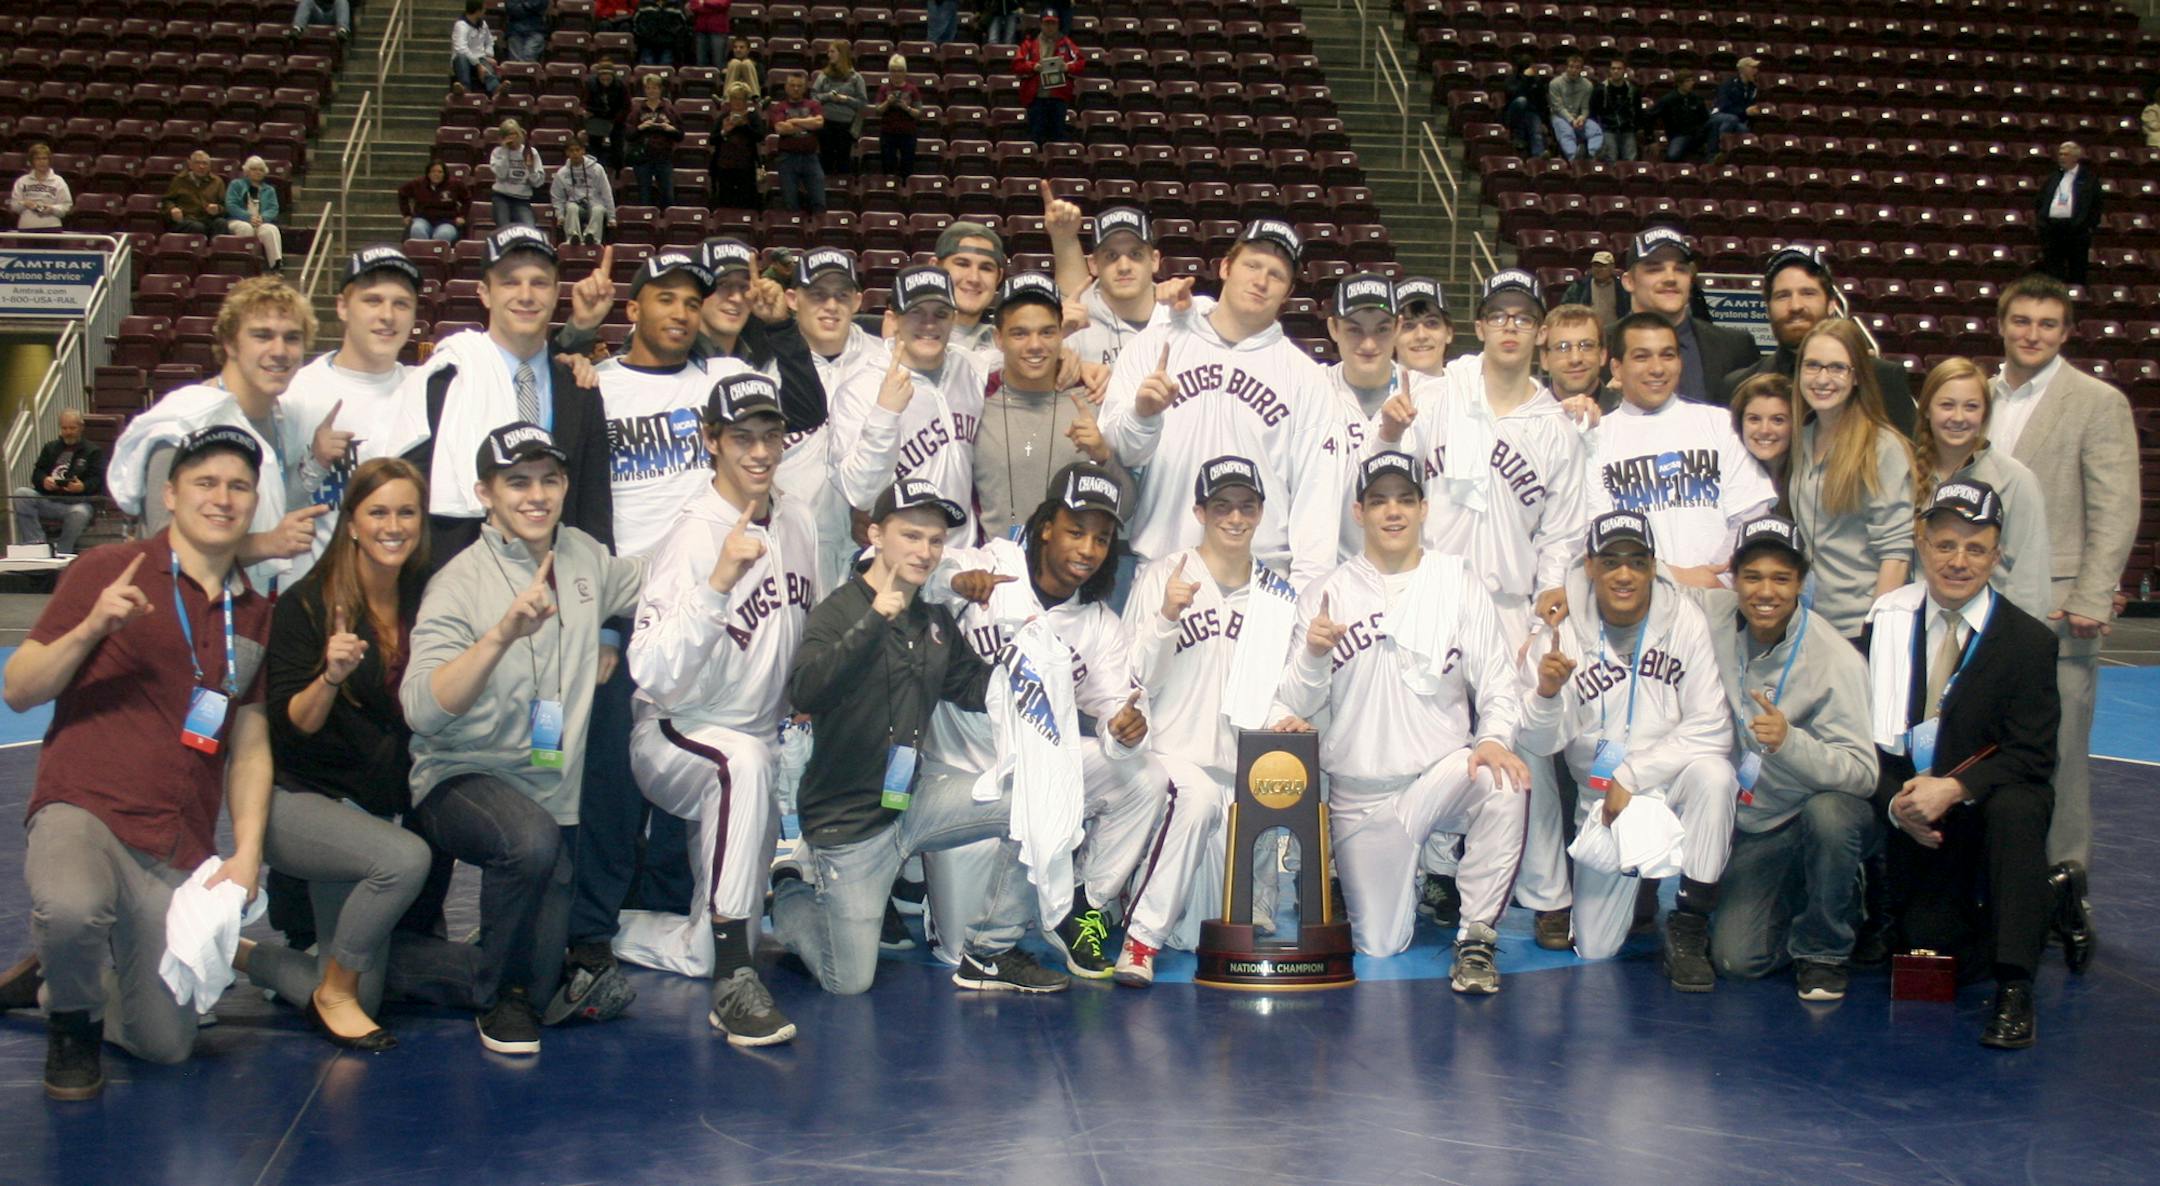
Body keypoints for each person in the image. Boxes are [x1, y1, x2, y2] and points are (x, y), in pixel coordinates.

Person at [2, 425, 277, 1099]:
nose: (222, 497)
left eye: (238, 486)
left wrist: (246, 853)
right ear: (171, 494)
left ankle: (58, 975)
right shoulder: (106, 571)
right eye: (206, 482)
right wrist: (93, 626)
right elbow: (19, 689)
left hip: (171, 842)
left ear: (254, 500)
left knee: (166, 1046)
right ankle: (72, 1026)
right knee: (72, 907)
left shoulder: (257, 610)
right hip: (84, 809)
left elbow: (250, 745)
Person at [399, 421, 646, 1054]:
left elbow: (650, 580)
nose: (535, 495)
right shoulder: (457, 583)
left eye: (548, 479)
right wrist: (501, 636)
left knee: (542, 983)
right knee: (528, 845)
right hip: (460, 777)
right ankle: (497, 1000)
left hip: (548, 791)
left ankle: (398, 964)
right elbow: (422, 709)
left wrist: (723, 561)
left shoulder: (583, 556)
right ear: (485, 493)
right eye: (517, 482)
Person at [773, 477, 1072, 995]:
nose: (926, 551)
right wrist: (871, 622)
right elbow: (805, 691)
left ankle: (990, 950)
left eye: (936, 541)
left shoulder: (931, 618)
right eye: (911, 536)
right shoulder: (839, 611)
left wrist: (1026, 657)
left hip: (915, 797)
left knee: (1035, 802)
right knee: (849, 983)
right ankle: (789, 895)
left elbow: (972, 686)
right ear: (875, 535)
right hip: (851, 823)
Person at [1372, 270, 1588, 946]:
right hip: (1429, 587)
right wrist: (1388, 428)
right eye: (1500, 314)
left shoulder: (1555, 425)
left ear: (1540, 331)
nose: (1512, 326)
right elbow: (1390, 478)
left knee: (1520, 745)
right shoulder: (1441, 391)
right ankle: (1425, 869)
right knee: (1421, 732)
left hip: (1505, 599)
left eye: (1525, 316)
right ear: (1482, 324)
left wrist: (1549, 598)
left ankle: (1549, 892)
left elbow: (1564, 529)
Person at [1277, 452, 1531, 989]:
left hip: (1442, 776)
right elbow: (1294, 704)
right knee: (1381, 947)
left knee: (1503, 779)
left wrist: (1493, 738)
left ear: (1423, 509)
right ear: (1358, 512)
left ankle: (1477, 936)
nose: (1392, 512)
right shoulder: (1328, 592)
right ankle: (1411, 875)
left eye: (1405, 500)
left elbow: (1500, 684)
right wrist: (1313, 655)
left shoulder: (1457, 582)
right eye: (1379, 501)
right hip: (1363, 797)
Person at [626, 372, 819, 1044]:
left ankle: (610, 929)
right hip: (675, 734)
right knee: (741, 760)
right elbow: (652, 674)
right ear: (712, 441)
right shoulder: (691, 536)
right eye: (743, 437)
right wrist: (717, 584)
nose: (761, 451)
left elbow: (798, 630)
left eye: (771, 435)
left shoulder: (796, 520)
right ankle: (734, 987)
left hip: (754, 745)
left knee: (713, 937)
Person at [929, 465, 1171, 979]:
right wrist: (952, 582)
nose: (1088, 548)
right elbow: (904, 570)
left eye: (1102, 539)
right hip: (959, 777)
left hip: (1029, 778)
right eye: (1075, 531)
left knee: (1144, 777)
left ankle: (1086, 899)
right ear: (1046, 526)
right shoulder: (995, 562)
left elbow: (1115, 709)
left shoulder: (1100, 624)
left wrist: (1124, 729)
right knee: (954, 950)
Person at [562, 253, 724, 990]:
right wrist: (574, 335)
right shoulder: (596, 384)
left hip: (702, 608)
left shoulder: (718, 383)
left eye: (694, 301)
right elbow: (580, 506)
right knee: (610, 775)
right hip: (622, 609)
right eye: (667, 298)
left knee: (689, 760)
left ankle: (656, 906)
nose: (683, 313)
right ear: (635, 308)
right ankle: (591, 924)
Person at [246, 457, 436, 1051]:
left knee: (367, 996)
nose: (394, 525)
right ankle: (333, 989)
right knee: (405, 860)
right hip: (301, 803)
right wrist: (329, 677)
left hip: (368, 815)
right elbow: (291, 728)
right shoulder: (308, 603)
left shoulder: (421, 597)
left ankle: (235, 953)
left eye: (407, 512)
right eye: (378, 511)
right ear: (351, 521)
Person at [1863, 481, 2060, 1048]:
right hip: (1913, 813)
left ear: (1996, 557)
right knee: (1933, 952)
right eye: (1946, 545)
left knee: (2020, 809)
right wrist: (1896, 804)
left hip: (1986, 806)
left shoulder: (2027, 642)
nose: (1958, 561)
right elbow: (1863, 740)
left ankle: (2016, 985)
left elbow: (2032, 756)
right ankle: (2051, 896)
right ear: (1922, 546)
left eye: (1976, 549)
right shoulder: (1886, 623)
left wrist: (1955, 788)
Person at [1518, 511, 1736, 986]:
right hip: (1602, 803)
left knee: (1715, 776)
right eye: (1612, 561)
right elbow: (1539, 742)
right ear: (1590, 566)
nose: (1624, 574)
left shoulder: (1685, 620)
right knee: (1595, 950)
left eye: (1637, 562)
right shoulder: (1561, 631)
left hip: (1665, 783)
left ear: (1653, 567)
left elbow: (1713, 725)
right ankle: (1589, 893)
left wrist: (1632, 774)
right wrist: (1547, 695)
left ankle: (1689, 924)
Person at [1990, 274, 2135, 959]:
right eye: (2022, 320)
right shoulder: (1979, 397)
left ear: (2067, 331)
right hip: (1982, 598)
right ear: (2002, 323)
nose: (2032, 333)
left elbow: (2116, 507)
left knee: (2063, 756)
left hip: (2058, 603)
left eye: (2047, 323)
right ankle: (1998, 886)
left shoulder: (2096, 402)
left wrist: (2091, 594)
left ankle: (2065, 885)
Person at [1114, 457, 1297, 982]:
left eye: (1246, 506)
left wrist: (1288, 716)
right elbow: (1134, 680)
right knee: (1191, 802)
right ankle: (1139, 941)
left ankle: (1156, 904)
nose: (1234, 518)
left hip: (1238, 773)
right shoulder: (1162, 576)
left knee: (1210, 936)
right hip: (1169, 764)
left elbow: (1276, 692)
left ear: (1261, 512)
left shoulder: (1277, 592)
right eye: (1221, 506)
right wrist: (1169, 616)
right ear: (1199, 511)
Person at [1100, 219, 1343, 590]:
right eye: (1252, 265)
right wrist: (1143, 416)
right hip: (1161, 572)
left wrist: (1306, 600)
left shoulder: (1308, 379)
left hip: (1259, 581)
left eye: (1276, 275)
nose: (1261, 281)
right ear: (1225, 267)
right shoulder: (1153, 346)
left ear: (1289, 291)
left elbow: (1317, 503)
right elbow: (1118, 455)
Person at [1701, 516, 1879, 1000]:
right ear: (1733, 579)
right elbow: (1644, 586)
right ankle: (1813, 890)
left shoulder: (1836, 659)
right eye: (1753, 576)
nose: (1766, 591)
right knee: (1737, 961)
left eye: (1781, 578)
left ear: (1801, 583)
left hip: (1811, 810)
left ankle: (1824, 946)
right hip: (1754, 819)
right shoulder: (1712, 615)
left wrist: (1789, 742)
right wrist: (1568, 590)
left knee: (1831, 817)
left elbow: (1864, 774)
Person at [381, 226, 615, 566]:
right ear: (484, 293)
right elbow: (411, 496)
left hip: (558, 584)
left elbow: (594, 508)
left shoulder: (579, 386)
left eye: (539, 282)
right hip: (462, 582)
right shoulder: (444, 381)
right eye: (509, 282)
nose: (526, 295)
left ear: (555, 292)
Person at [107, 277, 327, 594]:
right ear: (230, 343)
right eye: (262, 335)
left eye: (292, 338)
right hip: (181, 615)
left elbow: (270, 504)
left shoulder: (279, 419)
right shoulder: (186, 422)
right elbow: (164, 549)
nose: (280, 351)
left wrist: (315, 462)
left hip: (248, 611)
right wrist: (265, 544)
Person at [1587, 313, 1777, 588]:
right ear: (1616, 368)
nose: (1657, 368)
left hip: (1718, 598)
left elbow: (1751, 516)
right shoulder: (1596, 439)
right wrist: (1675, 578)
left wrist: (1719, 579)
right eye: (1642, 357)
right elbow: (1597, 537)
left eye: (1668, 355)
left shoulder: (1719, 423)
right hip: (1635, 603)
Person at [275, 246, 424, 590]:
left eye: (401, 304)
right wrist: (314, 464)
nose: (388, 316)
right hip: (314, 598)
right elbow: (266, 508)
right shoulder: (296, 393)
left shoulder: (424, 390)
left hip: (400, 600)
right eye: (372, 301)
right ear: (342, 307)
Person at [828, 265, 987, 544]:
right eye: (916, 312)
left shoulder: (970, 370)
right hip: (894, 557)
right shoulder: (859, 390)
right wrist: (885, 414)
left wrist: (1076, 363)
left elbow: (1020, 360)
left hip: (962, 554)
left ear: (954, 319)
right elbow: (859, 492)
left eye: (940, 314)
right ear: (893, 319)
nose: (929, 324)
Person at [1786, 318, 1916, 642]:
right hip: (1809, 625)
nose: (1822, 378)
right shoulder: (1801, 438)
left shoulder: (1880, 447)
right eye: (1813, 366)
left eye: (1837, 368)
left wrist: (1875, 632)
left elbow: (1896, 555)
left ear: (1857, 376)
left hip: (1858, 627)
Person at [974, 274, 1129, 538]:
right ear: (999, 339)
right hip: (995, 570)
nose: (1035, 345)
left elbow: (1126, 508)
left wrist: (1104, 456)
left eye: (1047, 332)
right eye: (1020, 333)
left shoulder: (1093, 397)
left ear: (1061, 334)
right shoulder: (976, 400)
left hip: (1077, 573)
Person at [1911, 358, 2051, 620]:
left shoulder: (2016, 481)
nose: (1959, 417)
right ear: (1927, 409)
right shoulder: (1904, 474)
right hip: (1920, 627)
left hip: (1990, 631)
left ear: (1985, 414)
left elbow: (2030, 579)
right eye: (1947, 405)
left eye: (1971, 407)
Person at [1719, 245, 1915, 429]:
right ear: (1768, 308)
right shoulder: (1737, 386)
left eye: (1808, 293)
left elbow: (1908, 459)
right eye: (1783, 295)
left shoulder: (1881, 377)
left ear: (1831, 303)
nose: (1795, 306)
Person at [1620, 226, 1758, 405]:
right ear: (1629, 281)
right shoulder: (1599, 347)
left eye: (1680, 269)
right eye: (1655, 269)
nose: (1670, 278)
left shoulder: (1735, 346)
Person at [1045, 196, 1169, 371]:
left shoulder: (1182, 315)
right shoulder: (1073, 326)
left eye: (1135, 255)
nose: (1124, 267)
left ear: (1155, 260)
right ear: (1093, 264)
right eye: (1111, 256)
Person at [13, 410, 105, 555]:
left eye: (72, 428)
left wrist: (83, 487)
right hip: (49, 500)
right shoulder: (50, 448)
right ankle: (36, 544)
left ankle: (63, 549)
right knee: (21, 494)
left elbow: (99, 480)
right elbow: (37, 473)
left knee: (79, 512)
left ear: (81, 427)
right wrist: (44, 480)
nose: (68, 432)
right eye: (64, 428)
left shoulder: (93, 451)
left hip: (76, 503)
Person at [931, 221, 1008, 370]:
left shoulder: (1006, 341)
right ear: (935, 268)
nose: (974, 278)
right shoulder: (905, 334)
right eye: (962, 264)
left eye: (986, 268)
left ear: (999, 277)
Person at [2035, 142, 2102, 286]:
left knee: (2077, 270)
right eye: (2060, 154)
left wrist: (2087, 227)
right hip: (2052, 230)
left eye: (2066, 154)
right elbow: (2040, 201)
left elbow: (2096, 206)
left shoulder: (2088, 179)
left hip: (2076, 231)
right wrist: (2042, 222)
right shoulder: (2053, 177)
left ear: (2075, 157)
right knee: (2053, 271)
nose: (2062, 157)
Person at [1016, 11, 1082, 146]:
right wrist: (1033, 67)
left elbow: (1080, 63)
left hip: (1058, 97)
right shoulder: (1030, 44)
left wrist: (1067, 67)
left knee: (1057, 137)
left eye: (1053, 23)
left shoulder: (1066, 43)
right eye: (1047, 23)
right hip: (1036, 98)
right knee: (1035, 136)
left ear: (1058, 25)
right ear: (1041, 24)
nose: (1050, 27)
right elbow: (1017, 64)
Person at [1730, 372, 1794, 505]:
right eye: (1754, 419)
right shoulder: (1727, 477)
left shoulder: (1809, 484)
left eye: (1777, 420)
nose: (1764, 430)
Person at [768, 72, 827, 214]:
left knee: (819, 201)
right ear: (786, 87)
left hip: (810, 158)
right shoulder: (780, 107)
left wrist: (794, 121)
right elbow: (781, 128)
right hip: (787, 159)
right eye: (792, 85)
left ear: (805, 87)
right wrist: (807, 123)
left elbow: (819, 123)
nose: (795, 89)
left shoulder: (813, 104)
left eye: (799, 86)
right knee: (790, 203)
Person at [1538, 301, 1615, 411]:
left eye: (1586, 346)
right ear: (1544, 358)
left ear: (1602, 354)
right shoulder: (1528, 419)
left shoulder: (1629, 413)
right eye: (1562, 347)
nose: (1575, 358)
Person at [710, 81, 767, 211]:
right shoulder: (723, 117)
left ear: (746, 100)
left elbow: (760, 136)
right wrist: (725, 131)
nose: (737, 102)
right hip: (724, 166)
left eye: (740, 99)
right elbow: (712, 140)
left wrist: (744, 126)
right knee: (725, 201)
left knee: (746, 201)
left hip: (746, 167)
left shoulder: (752, 117)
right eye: (734, 98)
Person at [550, 134, 616, 246]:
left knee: (599, 209)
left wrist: (611, 217)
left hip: (594, 203)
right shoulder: (562, 173)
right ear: (567, 153)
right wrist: (560, 216)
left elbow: (606, 193)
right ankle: (573, 238)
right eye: (571, 151)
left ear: (583, 151)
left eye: (577, 150)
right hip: (575, 204)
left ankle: (591, 238)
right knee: (570, 207)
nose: (575, 153)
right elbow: (557, 197)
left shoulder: (597, 169)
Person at [222, 156, 285, 273]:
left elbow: (273, 208)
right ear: (247, 171)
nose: (257, 172)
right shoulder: (236, 185)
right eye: (254, 169)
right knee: (245, 228)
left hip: (261, 221)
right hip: (238, 220)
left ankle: (275, 266)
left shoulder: (269, 190)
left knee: (271, 230)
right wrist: (248, 217)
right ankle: (245, 265)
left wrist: (263, 218)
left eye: (261, 170)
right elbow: (231, 205)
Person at [813, 43, 867, 178]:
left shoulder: (856, 78)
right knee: (826, 159)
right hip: (826, 124)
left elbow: (862, 103)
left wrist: (846, 99)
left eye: (832, 52)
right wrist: (828, 97)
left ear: (841, 54)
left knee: (843, 160)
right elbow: (813, 97)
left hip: (846, 126)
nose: (828, 54)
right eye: (828, 51)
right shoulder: (823, 75)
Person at [629, 73, 683, 208]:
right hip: (643, 159)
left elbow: (680, 135)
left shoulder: (670, 110)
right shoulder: (637, 111)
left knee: (668, 196)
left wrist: (671, 129)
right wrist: (640, 128)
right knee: (644, 196)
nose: (651, 91)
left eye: (654, 88)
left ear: (660, 89)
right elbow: (629, 135)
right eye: (648, 88)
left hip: (664, 158)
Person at [487, 120, 546, 229]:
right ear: (502, 138)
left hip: (522, 199)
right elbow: (501, 175)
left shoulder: (531, 152)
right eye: (508, 135)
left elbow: (538, 183)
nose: (512, 138)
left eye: (514, 134)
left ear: (519, 135)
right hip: (501, 197)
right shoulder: (497, 152)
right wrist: (505, 152)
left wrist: (531, 169)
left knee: (530, 229)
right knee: (504, 231)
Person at [873, 55, 923, 179]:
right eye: (893, 70)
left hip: (908, 134)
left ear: (905, 72)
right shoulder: (884, 89)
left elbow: (919, 113)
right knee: (888, 167)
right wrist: (888, 102)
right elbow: (877, 110)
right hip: (888, 133)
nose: (897, 74)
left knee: (907, 167)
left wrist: (907, 108)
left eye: (900, 70)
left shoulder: (912, 89)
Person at [1393, 276, 1453, 377]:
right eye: (1408, 325)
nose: (1421, 335)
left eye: (1431, 323)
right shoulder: (1370, 389)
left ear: (1449, 333)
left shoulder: (1467, 386)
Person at [1548, 53, 1602, 161]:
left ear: (1581, 70)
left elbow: (1585, 107)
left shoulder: (1587, 85)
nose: (1573, 70)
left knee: (1595, 130)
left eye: (1577, 68)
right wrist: (1571, 120)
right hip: (1560, 117)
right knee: (1567, 132)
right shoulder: (1555, 83)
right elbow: (1558, 107)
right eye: (1571, 67)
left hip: (1578, 118)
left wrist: (1582, 117)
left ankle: (1590, 156)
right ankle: (1575, 160)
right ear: (1566, 67)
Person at [1647, 73, 1712, 162]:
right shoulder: (1668, 99)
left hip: (1697, 133)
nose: (1691, 83)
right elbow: (1649, 117)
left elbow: (1705, 118)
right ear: (1679, 83)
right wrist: (1651, 140)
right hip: (1678, 134)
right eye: (1687, 81)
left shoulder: (1697, 98)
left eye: (1692, 80)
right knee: (1672, 156)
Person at [399, 158, 468, 242]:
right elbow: (402, 193)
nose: (436, 174)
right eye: (433, 171)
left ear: (444, 174)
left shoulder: (455, 185)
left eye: (440, 172)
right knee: (417, 230)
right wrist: (406, 214)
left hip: (447, 221)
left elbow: (467, 199)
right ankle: (423, 254)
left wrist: (462, 216)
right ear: (428, 173)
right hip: (422, 219)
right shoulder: (418, 184)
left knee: (443, 234)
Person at [8, 143, 72, 231]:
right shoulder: (22, 181)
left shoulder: (58, 181)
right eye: (37, 159)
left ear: (49, 160)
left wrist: (52, 209)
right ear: (32, 161)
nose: (41, 162)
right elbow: (14, 206)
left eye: (44, 158)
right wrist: (25, 204)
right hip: (26, 227)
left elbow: (66, 206)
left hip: (51, 227)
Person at [584, 60, 633, 172]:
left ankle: (618, 174)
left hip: (616, 120)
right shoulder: (591, 84)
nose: (605, 80)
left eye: (608, 78)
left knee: (618, 151)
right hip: (596, 120)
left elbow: (626, 106)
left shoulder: (621, 85)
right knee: (594, 151)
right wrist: (589, 112)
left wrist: (615, 120)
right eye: (602, 77)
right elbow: (585, 102)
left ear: (612, 76)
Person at [1704, 57, 1760, 157]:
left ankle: (1733, 155)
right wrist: (1745, 112)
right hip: (1718, 115)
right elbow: (1724, 107)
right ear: (1743, 69)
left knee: (1743, 129)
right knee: (1731, 119)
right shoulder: (1728, 85)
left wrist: (1750, 112)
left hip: (1737, 118)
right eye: (1753, 68)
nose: (1756, 71)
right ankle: (1715, 150)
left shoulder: (1753, 88)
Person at [163, 151, 226, 235]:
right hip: (186, 219)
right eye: (197, 163)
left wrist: (218, 209)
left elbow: (225, 206)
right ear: (190, 164)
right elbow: (167, 200)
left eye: (205, 163)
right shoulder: (179, 180)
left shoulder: (217, 181)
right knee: (197, 227)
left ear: (209, 166)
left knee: (221, 223)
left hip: (208, 219)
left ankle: (217, 247)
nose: (201, 166)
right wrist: (172, 209)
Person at [1501, 53, 1550, 158]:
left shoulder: (1537, 81)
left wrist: (1544, 122)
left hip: (1531, 113)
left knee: (1537, 133)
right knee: (1521, 101)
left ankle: (1539, 155)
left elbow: (1542, 102)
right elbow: (1513, 95)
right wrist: (1525, 79)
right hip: (1513, 114)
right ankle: (1518, 137)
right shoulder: (1511, 80)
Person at [1593, 59, 1641, 162]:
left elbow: (1638, 111)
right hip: (1607, 128)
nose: (1616, 71)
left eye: (1619, 68)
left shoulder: (1632, 90)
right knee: (1611, 158)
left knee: (1631, 159)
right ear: (1609, 71)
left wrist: (1637, 128)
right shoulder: (1600, 89)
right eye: (1613, 68)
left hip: (1627, 128)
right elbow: (1593, 111)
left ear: (1624, 71)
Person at [1561, 250, 1626, 326]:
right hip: (1587, 330)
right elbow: (1565, 308)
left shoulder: (1622, 288)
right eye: (1595, 265)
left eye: (1602, 266)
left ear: (1612, 268)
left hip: (1614, 332)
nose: (1598, 269)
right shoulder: (1580, 286)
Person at [451, 0, 500, 95]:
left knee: (486, 64)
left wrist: (488, 55)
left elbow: (489, 42)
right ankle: (465, 89)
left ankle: (497, 89)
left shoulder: (483, 24)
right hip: (464, 60)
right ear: (478, 11)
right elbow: (462, 49)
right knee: (461, 57)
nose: (485, 10)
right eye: (483, 8)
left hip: (481, 58)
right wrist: (478, 65)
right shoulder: (460, 26)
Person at [632, 0, 690, 66]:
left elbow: (682, 23)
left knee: (665, 72)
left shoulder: (675, 4)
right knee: (647, 72)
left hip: (668, 45)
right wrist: (645, 34)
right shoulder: (644, 3)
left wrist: (671, 34)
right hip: (647, 44)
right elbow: (636, 22)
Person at [688, 0, 731, 67]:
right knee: (701, 62)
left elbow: (723, 4)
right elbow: (694, 7)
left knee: (718, 62)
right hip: (701, 30)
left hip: (719, 30)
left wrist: (704, 3)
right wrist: (714, 9)